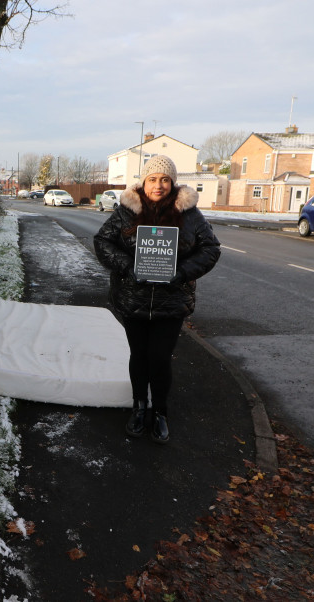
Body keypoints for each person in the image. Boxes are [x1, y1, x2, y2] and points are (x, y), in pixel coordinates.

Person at [94, 154, 221, 444]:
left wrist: (182, 271)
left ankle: (160, 412)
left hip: (171, 301)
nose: (159, 185)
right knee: (139, 356)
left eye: (165, 179)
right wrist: (128, 266)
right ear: (144, 181)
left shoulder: (188, 213)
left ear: (173, 183)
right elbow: (103, 241)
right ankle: (139, 407)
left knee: (160, 357)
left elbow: (211, 248)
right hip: (133, 298)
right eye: (153, 179)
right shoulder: (128, 210)